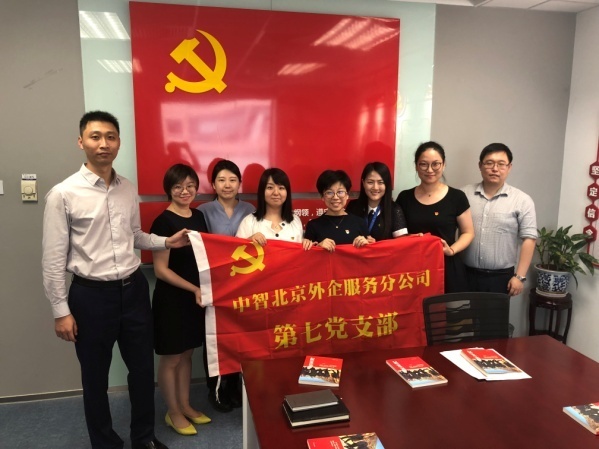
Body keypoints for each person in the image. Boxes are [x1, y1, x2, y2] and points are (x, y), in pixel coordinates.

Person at [42, 111, 189, 449]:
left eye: (110, 137)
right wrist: (60, 310)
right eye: (95, 137)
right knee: (95, 378)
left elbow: (134, 235)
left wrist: (165, 242)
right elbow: (52, 259)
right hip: (90, 297)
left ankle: (143, 438)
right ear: (81, 142)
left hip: (133, 290)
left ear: (119, 142)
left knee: (142, 371)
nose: (103, 143)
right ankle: (105, 443)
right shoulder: (63, 194)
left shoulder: (127, 189)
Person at [151, 164, 211, 436]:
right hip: (173, 299)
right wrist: (193, 289)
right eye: (178, 187)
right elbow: (161, 270)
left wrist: (200, 290)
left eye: (190, 186)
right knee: (172, 357)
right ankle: (172, 411)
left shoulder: (198, 216)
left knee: (188, 354)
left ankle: (185, 405)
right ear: (169, 190)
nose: (185, 191)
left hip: (195, 298)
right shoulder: (162, 222)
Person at [197, 159, 254, 412]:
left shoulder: (250, 209)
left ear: (240, 183)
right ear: (213, 184)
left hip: (245, 284)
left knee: (241, 336)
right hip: (216, 284)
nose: (227, 185)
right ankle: (216, 389)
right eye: (221, 180)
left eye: (232, 180)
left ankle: (236, 387)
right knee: (215, 337)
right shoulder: (203, 211)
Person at [396, 141, 474, 293]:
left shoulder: (457, 197)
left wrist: (452, 250)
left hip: (447, 266)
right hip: (413, 268)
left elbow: (468, 232)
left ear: (443, 165)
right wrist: (410, 238)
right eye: (423, 164)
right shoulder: (404, 197)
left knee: (449, 308)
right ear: (416, 166)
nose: (430, 170)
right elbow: (398, 234)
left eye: (436, 164)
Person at [461, 143, 537, 296]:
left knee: (495, 313)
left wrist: (519, 276)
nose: (495, 169)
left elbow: (529, 238)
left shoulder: (522, 200)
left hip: (501, 277)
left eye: (501, 164)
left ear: (509, 167)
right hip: (464, 273)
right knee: (461, 312)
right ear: (480, 165)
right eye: (489, 163)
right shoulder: (463, 195)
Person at [236, 167, 313, 250]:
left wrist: (306, 244)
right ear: (262, 191)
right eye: (270, 187)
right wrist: (249, 240)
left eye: (281, 188)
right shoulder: (249, 222)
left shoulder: (295, 221)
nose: (276, 193)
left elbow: (300, 254)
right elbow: (235, 252)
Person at [304, 169, 369, 251]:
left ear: (347, 195)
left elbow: (368, 255)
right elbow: (308, 256)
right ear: (322, 197)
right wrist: (318, 248)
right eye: (329, 192)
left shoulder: (359, 223)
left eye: (340, 192)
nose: (335, 197)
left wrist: (366, 244)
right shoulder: (313, 226)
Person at [346, 162, 408, 241]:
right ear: (363, 183)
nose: (375, 187)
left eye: (380, 182)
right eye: (370, 182)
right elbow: (345, 237)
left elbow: (401, 244)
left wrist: (375, 245)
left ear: (387, 185)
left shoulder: (395, 210)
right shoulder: (353, 207)